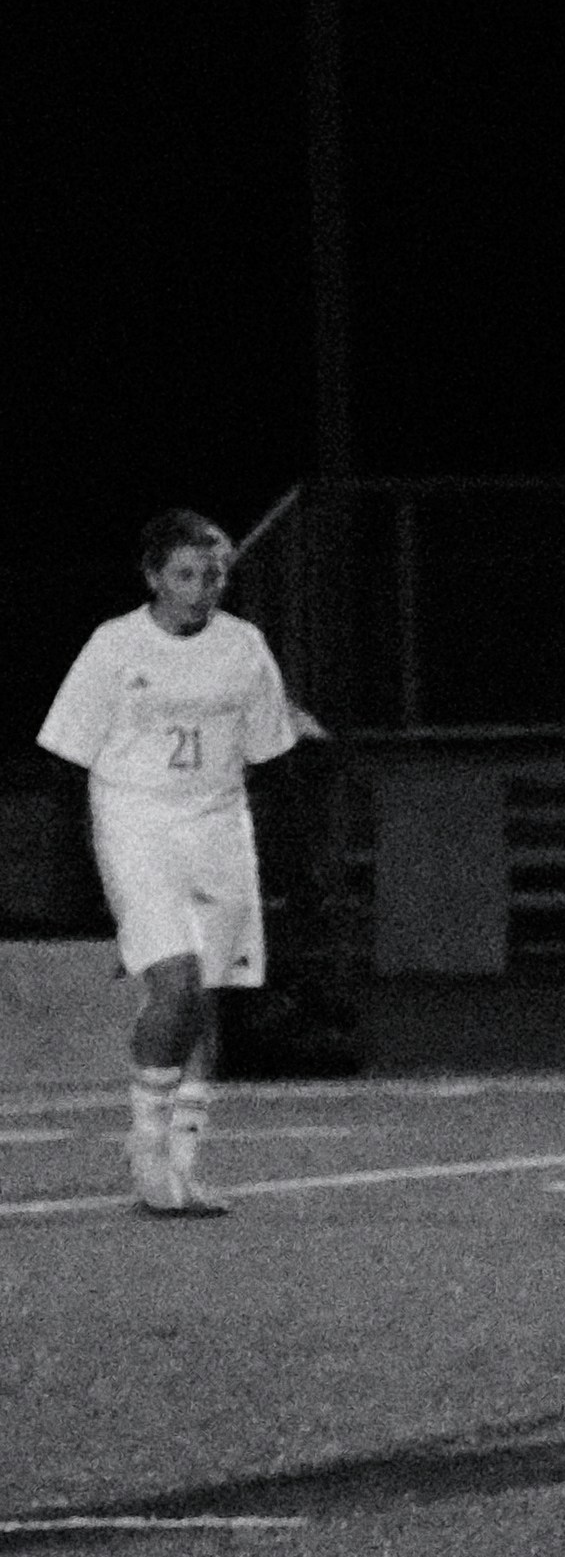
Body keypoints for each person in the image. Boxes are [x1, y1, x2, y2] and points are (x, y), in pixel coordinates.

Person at [40, 511, 313, 1218]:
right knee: (176, 979)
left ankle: (182, 1163)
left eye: (213, 574)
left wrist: (285, 857)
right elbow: (64, 755)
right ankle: (144, 1143)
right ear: (155, 577)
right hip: (137, 820)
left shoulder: (243, 646)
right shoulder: (115, 645)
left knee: (208, 991)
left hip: (218, 822)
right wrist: (80, 873)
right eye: (185, 575)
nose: (200, 589)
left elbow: (270, 755)